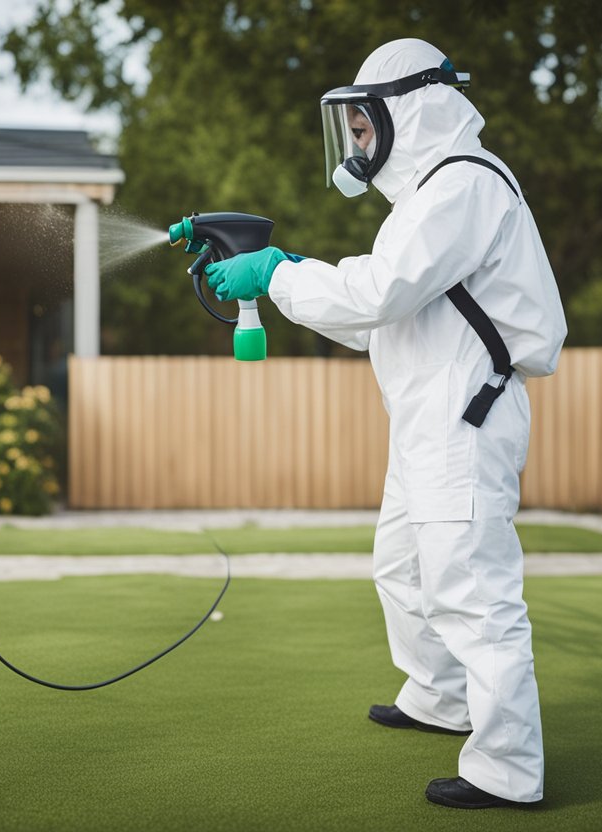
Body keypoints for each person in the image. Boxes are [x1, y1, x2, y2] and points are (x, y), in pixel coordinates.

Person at [204, 38, 568, 809]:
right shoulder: (425, 201)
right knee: (401, 567)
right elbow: (378, 321)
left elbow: (377, 294)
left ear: (411, 108)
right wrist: (293, 274)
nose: (359, 145)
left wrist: (277, 273)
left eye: (365, 127)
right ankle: (438, 697)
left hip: (466, 417)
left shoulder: (460, 188)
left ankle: (508, 769)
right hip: (426, 418)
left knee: (473, 591)